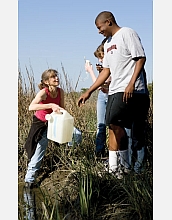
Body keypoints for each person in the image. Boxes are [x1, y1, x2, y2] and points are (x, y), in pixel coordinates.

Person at [78, 11, 150, 178]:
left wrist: (131, 83)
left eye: (99, 27)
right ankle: (121, 168)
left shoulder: (127, 33)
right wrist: (89, 90)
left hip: (134, 90)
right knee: (113, 124)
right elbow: (106, 71)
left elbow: (140, 58)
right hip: (116, 89)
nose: (98, 31)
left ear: (108, 22)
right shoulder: (108, 43)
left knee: (136, 132)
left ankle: (137, 172)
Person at [24, 69, 65, 188]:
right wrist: (50, 105)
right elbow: (31, 107)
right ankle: (29, 179)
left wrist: (66, 119)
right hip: (41, 123)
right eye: (53, 77)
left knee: (76, 135)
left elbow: (62, 108)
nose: (56, 78)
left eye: (56, 76)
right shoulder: (43, 92)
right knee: (40, 147)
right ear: (47, 81)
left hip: (54, 121)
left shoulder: (60, 91)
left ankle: (75, 162)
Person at [85, 38, 111, 157]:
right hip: (102, 96)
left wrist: (90, 71)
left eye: (101, 57)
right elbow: (101, 86)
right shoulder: (104, 69)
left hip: (111, 96)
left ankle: (114, 153)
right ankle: (99, 153)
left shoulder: (113, 67)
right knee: (100, 125)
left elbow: (100, 85)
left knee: (112, 126)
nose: (100, 60)